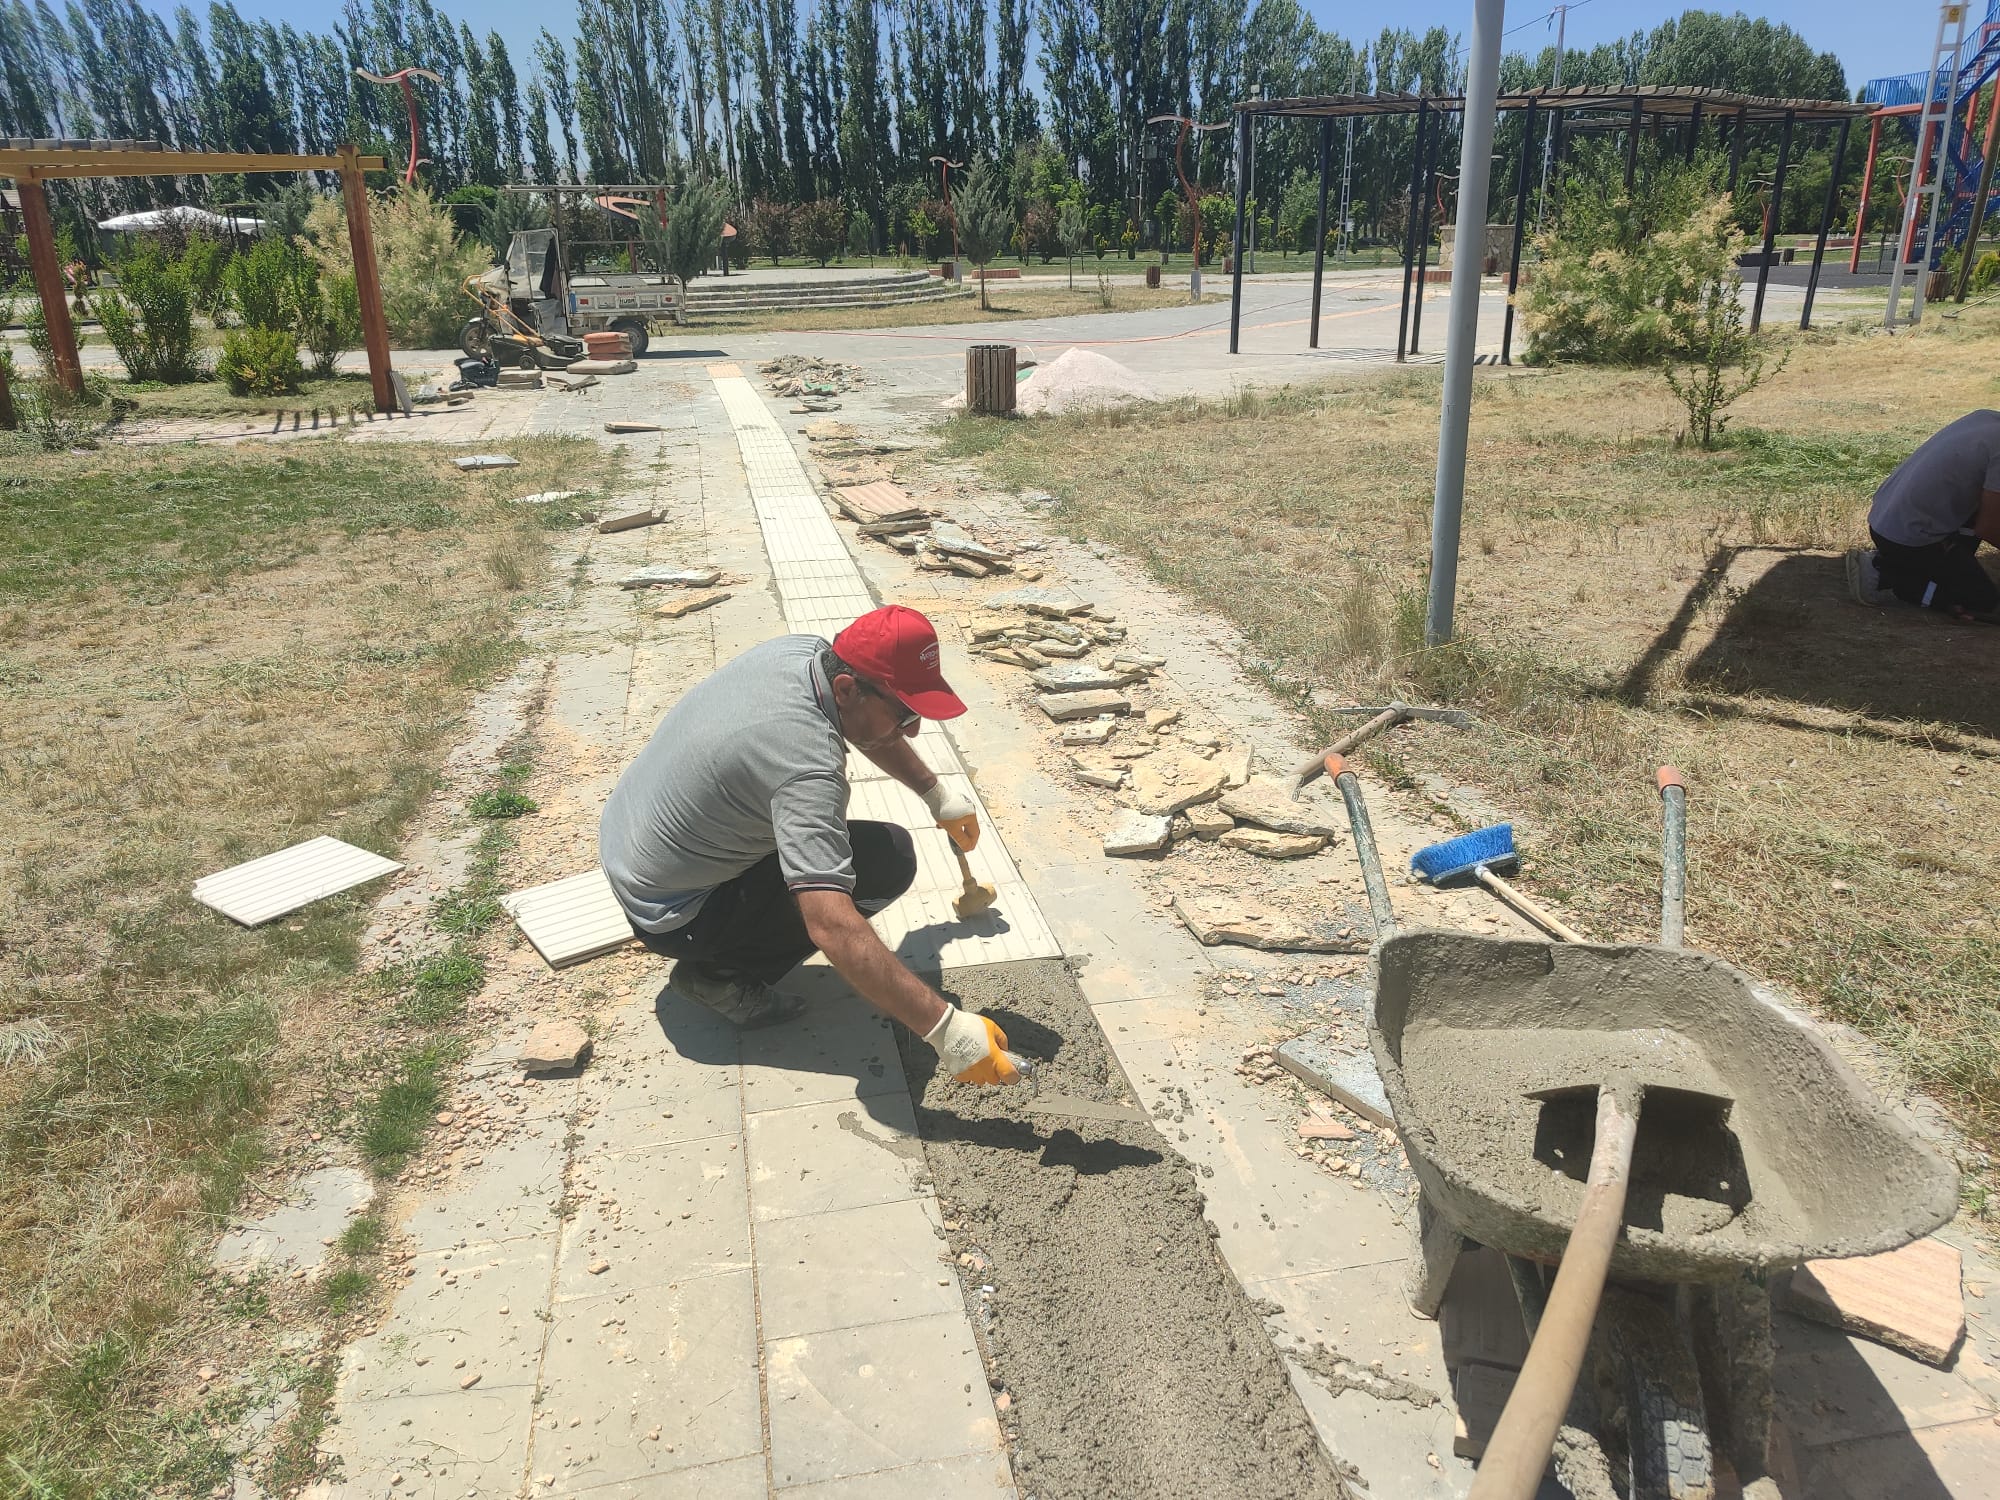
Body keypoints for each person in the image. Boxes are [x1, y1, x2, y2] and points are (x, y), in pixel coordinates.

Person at [599, 605, 1022, 1087]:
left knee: (878, 849)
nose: (914, 730)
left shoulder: (805, 654)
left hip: (635, 840)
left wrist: (935, 792)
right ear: (846, 687)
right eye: (905, 713)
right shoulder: (807, 770)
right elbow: (831, 924)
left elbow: (866, 722)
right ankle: (718, 977)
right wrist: (945, 1030)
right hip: (674, 911)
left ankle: (732, 937)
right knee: (885, 864)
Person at [1853, 409, 2000, 620]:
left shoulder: (1985, 418)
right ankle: (1885, 576)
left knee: (1983, 505)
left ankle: (1945, 568)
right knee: (1983, 601)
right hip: (1907, 540)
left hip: (1886, 521)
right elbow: (1989, 527)